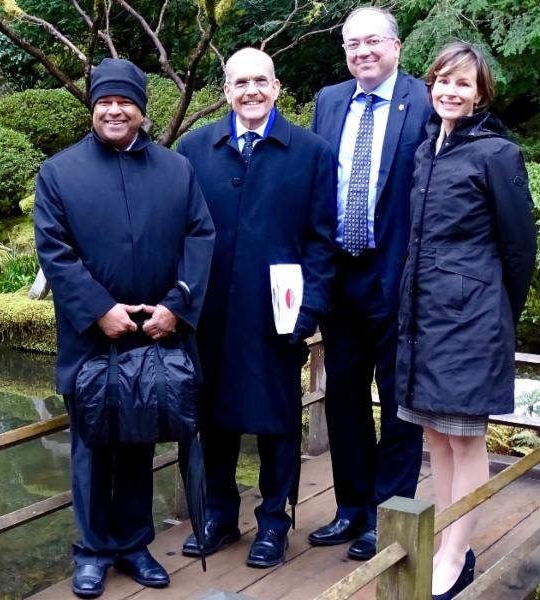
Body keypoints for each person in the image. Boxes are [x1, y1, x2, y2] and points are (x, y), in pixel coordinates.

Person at [34, 58, 215, 598]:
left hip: (155, 334)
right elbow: (55, 250)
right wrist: (98, 309)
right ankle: (92, 552)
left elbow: (200, 237)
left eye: (125, 102)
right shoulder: (59, 173)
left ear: (141, 109)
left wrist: (176, 306)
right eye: (105, 102)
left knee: (140, 443)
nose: (114, 111)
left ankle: (135, 545)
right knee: (92, 448)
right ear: (93, 108)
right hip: (91, 341)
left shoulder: (176, 170)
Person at [177, 47, 336, 568]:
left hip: (277, 315)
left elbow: (321, 240)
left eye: (260, 81)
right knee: (211, 418)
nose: (251, 91)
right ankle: (219, 515)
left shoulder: (310, 152)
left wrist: (309, 310)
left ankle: (274, 523)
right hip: (209, 314)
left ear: (276, 87)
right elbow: (178, 233)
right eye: (240, 82)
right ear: (226, 91)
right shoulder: (195, 148)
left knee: (278, 421)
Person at [396, 42, 536, 599]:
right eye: (443, 81)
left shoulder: (497, 154)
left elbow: (519, 248)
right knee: (435, 433)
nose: (450, 92)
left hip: (471, 319)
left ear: (480, 95)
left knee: (465, 437)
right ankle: (448, 539)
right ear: (431, 84)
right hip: (424, 315)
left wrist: (495, 312)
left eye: (463, 84)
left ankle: (456, 554)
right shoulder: (426, 149)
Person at [307, 6, 431, 560]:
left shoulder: (424, 101)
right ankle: (351, 506)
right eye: (353, 44)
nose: (363, 52)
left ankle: (389, 512)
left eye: (373, 41)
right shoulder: (330, 101)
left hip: (396, 273)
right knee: (343, 395)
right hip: (340, 274)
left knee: (400, 398)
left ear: (396, 46)